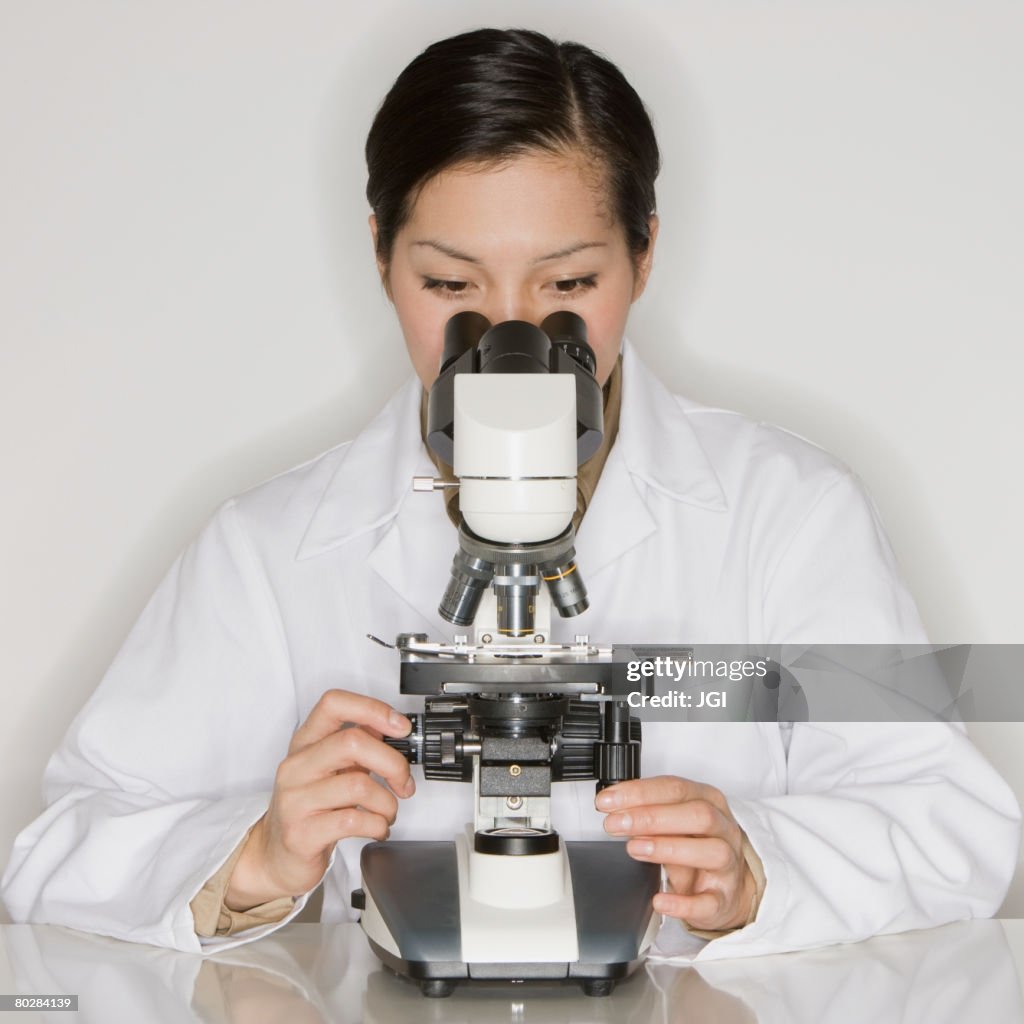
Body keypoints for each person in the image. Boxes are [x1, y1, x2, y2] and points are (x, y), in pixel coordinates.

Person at [2, 28, 1019, 961]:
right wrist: (254, 856)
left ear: (644, 252)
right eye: (451, 289)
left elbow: (951, 824)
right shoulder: (268, 551)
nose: (510, 345)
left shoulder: (787, 516)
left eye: (567, 288)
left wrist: (759, 867)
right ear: (379, 256)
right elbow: (53, 856)